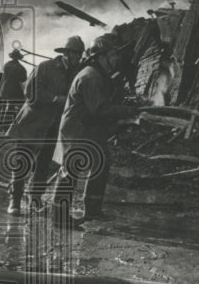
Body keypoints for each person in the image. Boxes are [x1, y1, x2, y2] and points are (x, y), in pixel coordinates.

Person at [50, 34, 138, 224]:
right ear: (100, 56)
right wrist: (128, 111)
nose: (115, 59)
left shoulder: (98, 75)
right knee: (70, 170)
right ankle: (59, 216)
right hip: (77, 129)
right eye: (112, 55)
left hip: (88, 128)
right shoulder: (91, 76)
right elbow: (99, 109)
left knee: (102, 162)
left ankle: (93, 209)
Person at [4, 36, 85, 215]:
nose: (78, 57)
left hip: (53, 126)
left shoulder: (76, 72)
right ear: (66, 53)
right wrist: (56, 99)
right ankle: (15, 201)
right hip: (32, 123)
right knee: (21, 162)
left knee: (43, 164)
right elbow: (31, 93)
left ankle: (35, 199)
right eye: (75, 53)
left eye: (80, 54)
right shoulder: (45, 68)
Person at [0, 49, 28, 128]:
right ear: (18, 57)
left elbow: (5, 76)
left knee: (4, 106)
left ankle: (0, 125)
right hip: (14, 89)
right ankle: (6, 126)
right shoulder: (21, 67)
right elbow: (23, 79)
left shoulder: (6, 65)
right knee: (11, 106)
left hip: (5, 88)